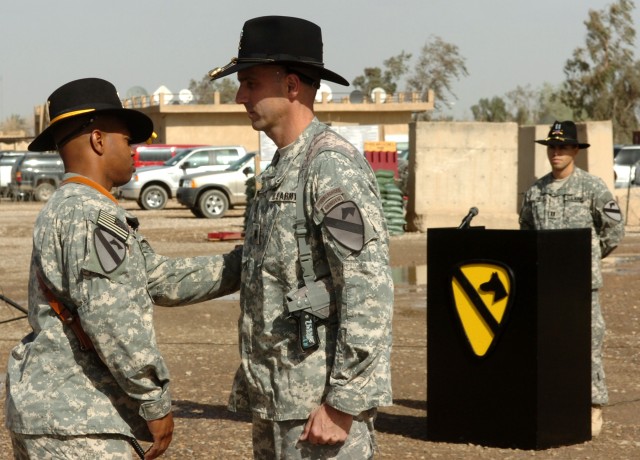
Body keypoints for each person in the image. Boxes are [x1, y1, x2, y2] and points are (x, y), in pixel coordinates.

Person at [4, 78, 242, 459]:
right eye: (128, 141)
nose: (135, 151)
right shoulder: (93, 215)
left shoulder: (73, 207)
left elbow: (160, 279)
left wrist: (244, 263)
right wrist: (153, 401)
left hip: (58, 414)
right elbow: (113, 318)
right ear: (98, 141)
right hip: (81, 421)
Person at [208, 16, 394, 459]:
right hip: (277, 402)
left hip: (319, 413)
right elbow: (255, 265)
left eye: (250, 83)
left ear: (292, 85)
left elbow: (368, 288)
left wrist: (342, 404)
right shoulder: (279, 170)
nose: (240, 96)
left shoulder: (330, 166)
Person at [519, 120, 625, 437]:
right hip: (545, 285)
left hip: (581, 285)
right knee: (547, 344)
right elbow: (526, 232)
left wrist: (589, 258)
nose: (556, 153)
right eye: (552, 147)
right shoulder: (535, 191)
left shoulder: (592, 187)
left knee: (588, 344)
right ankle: (554, 401)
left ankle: (593, 406)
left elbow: (613, 229)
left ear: (575, 150)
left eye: (563, 147)